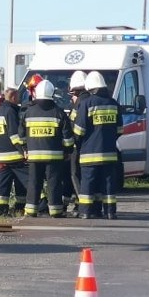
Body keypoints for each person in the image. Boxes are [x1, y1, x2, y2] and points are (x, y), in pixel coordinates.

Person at [19, 80, 74, 218]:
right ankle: (55, 211)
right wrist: (67, 151)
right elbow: (68, 138)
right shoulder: (59, 112)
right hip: (54, 157)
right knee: (54, 183)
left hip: (34, 156)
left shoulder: (28, 112)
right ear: (52, 94)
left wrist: (25, 149)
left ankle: (31, 211)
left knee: (34, 182)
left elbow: (21, 135)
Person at [72, 70, 122, 220]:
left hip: (89, 153)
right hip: (109, 153)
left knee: (88, 183)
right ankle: (110, 212)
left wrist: (78, 145)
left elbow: (79, 130)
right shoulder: (114, 103)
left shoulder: (87, 103)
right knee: (107, 184)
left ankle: (86, 212)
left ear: (90, 87)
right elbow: (120, 129)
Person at [0, 87, 28, 216]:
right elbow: (14, 135)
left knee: (2, 184)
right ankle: (40, 205)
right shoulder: (10, 112)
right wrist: (23, 150)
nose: (19, 100)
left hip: (2, 156)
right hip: (15, 156)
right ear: (13, 97)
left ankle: (0, 211)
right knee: (29, 180)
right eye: (18, 97)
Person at [66, 70, 88, 213]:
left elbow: (74, 126)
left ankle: (81, 203)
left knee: (75, 174)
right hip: (90, 146)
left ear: (75, 92)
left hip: (77, 145)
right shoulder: (91, 101)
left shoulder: (79, 104)